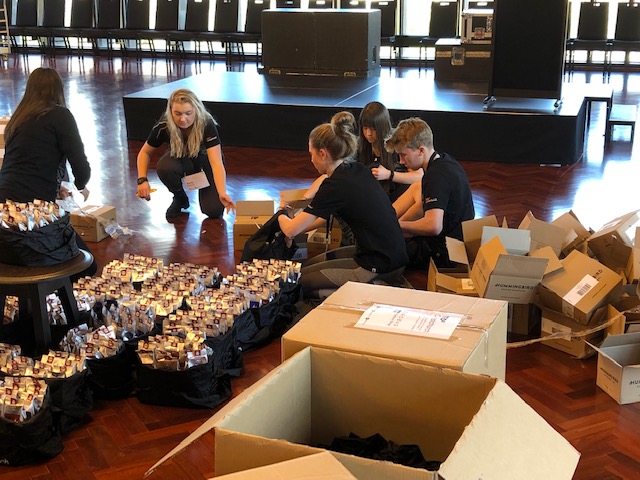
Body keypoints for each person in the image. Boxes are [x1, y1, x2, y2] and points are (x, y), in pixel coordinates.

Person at [278, 111, 408, 299]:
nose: (311, 159)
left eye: (311, 154)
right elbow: (315, 218)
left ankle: (367, 293)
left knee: (296, 283)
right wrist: (295, 223)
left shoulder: (335, 185)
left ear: (322, 153)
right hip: (390, 254)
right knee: (305, 268)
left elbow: (290, 231)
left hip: (379, 265)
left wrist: (282, 211)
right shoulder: (355, 170)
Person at [0, 67, 97, 278]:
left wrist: (56, 185)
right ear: (58, 90)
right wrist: (80, 185)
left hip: (3, 213)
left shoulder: (18, 119)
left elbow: (22, 167)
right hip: (31, 218)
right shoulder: (59, 115)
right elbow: (80, 165)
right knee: (86, 267)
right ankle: (58, 306)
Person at [385, 117, 475, 269]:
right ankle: (386, 224)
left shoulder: (435, 177)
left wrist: (400, 226)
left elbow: (433, 226)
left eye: (403, 155)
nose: (400, 161)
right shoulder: (446, 160)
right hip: (457, 241)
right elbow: (424, 205)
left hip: (445, 252)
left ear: (421, 150)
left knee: (383, 251)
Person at [136, 88, 235, 219]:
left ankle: (210, 195)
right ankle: (179, 197)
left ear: (196, 110)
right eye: (177, 113)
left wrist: (222, 192)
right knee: (165, 167)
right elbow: (145, 153)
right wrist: (142, 180)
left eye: (188, 113)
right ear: (170, 111)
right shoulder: (164, 125)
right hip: (181, 159)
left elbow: (216, 163)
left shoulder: (207, 124)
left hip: (204, 162)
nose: (183, 119)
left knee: (213, 211)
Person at [357, 102, 422, 202]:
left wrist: (389, 175)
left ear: (382, 127)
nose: (368, 134)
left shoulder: (398, 142)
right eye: (365, 128)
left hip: (397, 194)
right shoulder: (360, 145)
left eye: (373, 129)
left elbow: (418, 176)